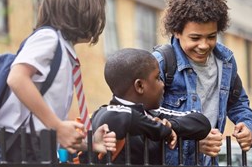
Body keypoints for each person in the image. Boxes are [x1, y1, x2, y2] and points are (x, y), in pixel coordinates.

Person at [0, 0, 116, 162]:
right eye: (96, 12)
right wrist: (57, 125)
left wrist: (91, 142)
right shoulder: (49, 38)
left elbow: (44, 126)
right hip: (20, 149)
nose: (99, 20)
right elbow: (17, 78)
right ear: (80, 12)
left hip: (35, 147)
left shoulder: (63, 51)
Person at [152, 0, 252, 166]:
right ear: (177, 32)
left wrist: (248, 126)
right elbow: (145, 120)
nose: (204, 45)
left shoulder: (226, 62)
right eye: (195, 38)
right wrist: (193, 143)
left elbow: (238, 103)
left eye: (211, 36)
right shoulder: (161, 63)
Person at [79, 48, 211, 165]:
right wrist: (161, 130)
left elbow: (201, 122)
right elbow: (123, 117)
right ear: (140, 86)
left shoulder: (154, 114)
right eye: (158, 78)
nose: (162, 84)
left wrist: (171, 125)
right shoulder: (104, 114)